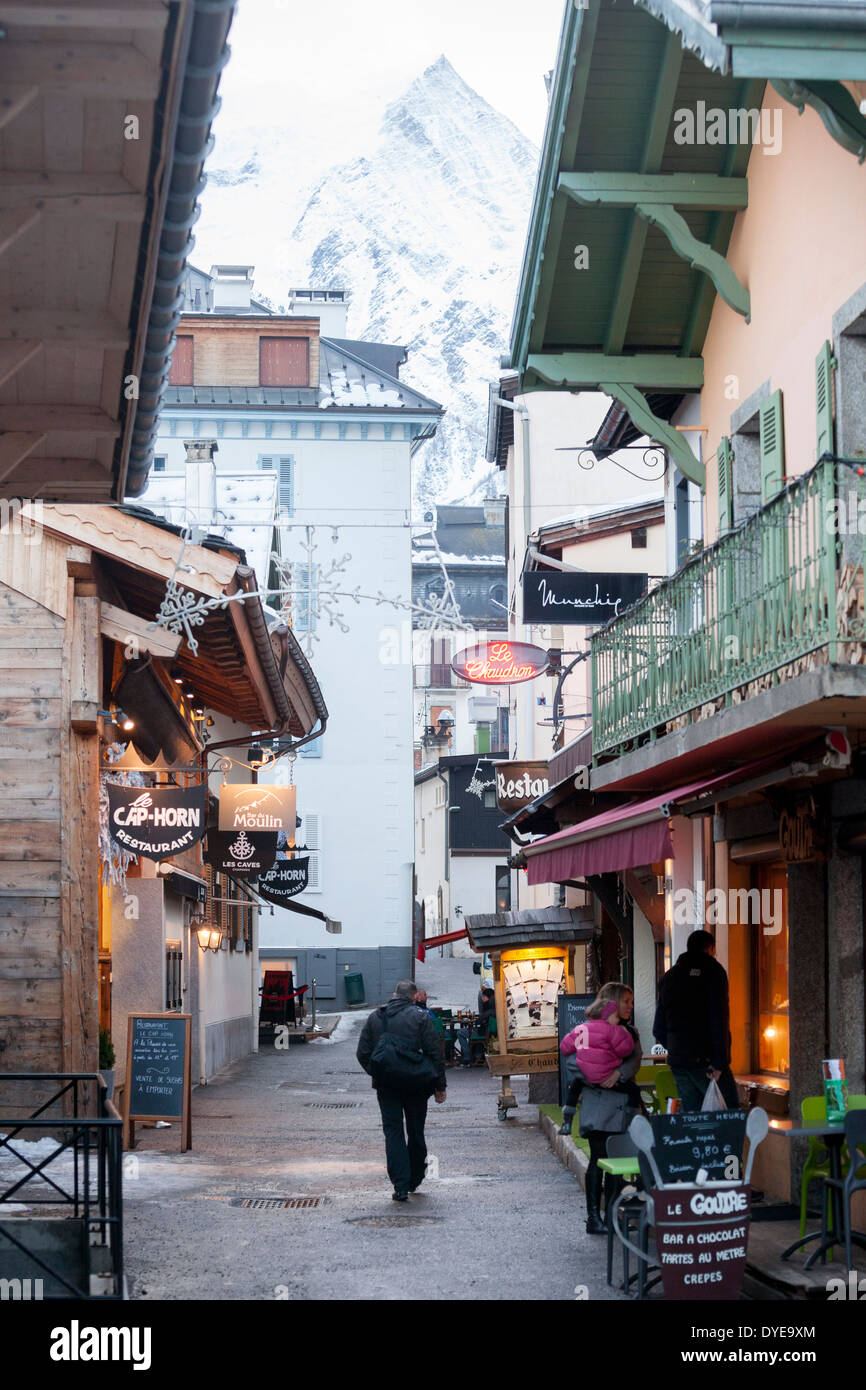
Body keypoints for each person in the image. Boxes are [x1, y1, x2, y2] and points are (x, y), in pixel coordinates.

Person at [356, 980, 446, 1201]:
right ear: (414, 997)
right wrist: (439, 1086)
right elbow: (436, 1053)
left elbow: (362, 1053)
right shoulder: (421, 1017)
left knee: (393, 1132)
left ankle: (400, 1185)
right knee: (416, 1131)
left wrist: (378, 1072)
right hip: (417, 1085)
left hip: (387, 1086)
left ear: (394, 994)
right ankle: (415, 1177)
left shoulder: (376, 1017)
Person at [576, 983, 643, 1234]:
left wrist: (619, 1073)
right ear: (613, 1002)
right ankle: (593, 1217)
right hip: (598, 1103)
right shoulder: (589, 1030)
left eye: (632, 1001)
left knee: (619, 1159)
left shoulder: (631, 1031)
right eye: (626, 1001)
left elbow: (636, 1059)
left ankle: (613, 1216)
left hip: (623, 1105)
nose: (630, 1006)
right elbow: (573, 1061)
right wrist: (599, 1075)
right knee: (598, 1158)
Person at [653, 928, 739, 1111]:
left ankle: (695, 1141)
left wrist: (677, 1047)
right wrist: (719, 1061)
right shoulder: (713, 972)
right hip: (706, 1060)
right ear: (710, 949)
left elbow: (658, 1027)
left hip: (679, 1061)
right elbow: (719, 1018)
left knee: (692, 1118)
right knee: (729, 1114)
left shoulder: (669, 976)